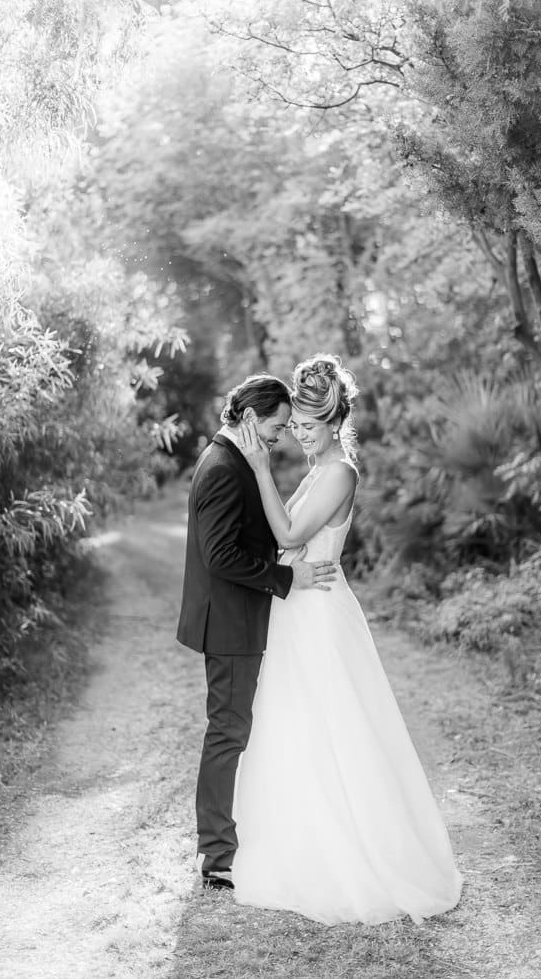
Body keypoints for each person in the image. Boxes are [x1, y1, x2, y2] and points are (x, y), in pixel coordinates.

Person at [229, 354, 462, 923]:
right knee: (296, 726)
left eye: (307, 428)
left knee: (335, 727)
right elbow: (287, 542)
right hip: (299, 605)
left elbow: (287, 532)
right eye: (296, 429)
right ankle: (304, 837)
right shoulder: (319, 464)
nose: (298, 438)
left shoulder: (339, 471)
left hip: (321, 615)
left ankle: (356, 853)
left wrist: (259, 469)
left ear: (333, 423)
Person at [176, 373, 338, 891]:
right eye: (276, 426)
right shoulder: (223, 466)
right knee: (227, 733)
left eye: (288, 427)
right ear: (249, 417)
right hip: (229, 621)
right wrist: (285, 577)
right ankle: (216, 855)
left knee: (235, 730)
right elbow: (221, 555)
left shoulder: (233, 458)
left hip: (236, 617)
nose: (281, 436)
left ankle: (229, 841)